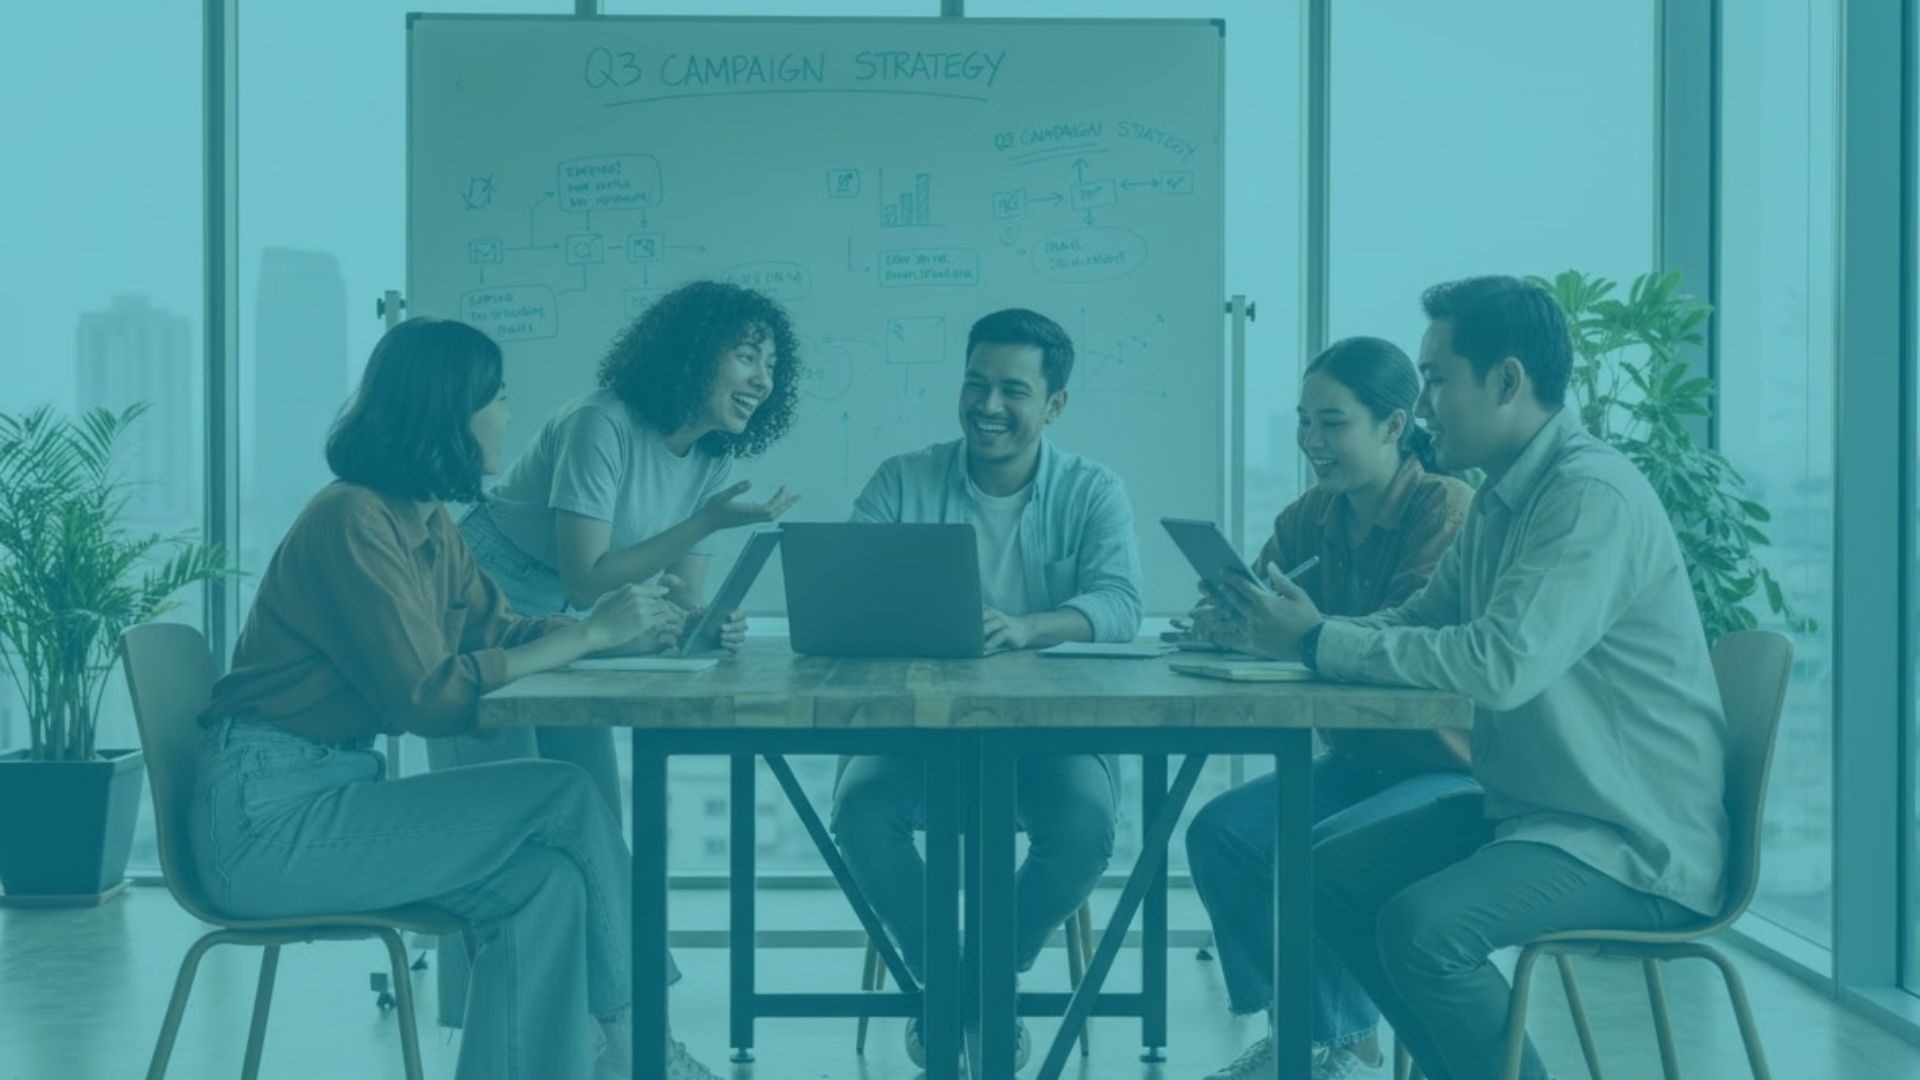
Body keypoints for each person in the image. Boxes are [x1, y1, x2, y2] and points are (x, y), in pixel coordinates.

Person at [1207, 277, 1728, 1080]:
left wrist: (1318, 642)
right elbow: (1419, 622)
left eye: (1438, 380)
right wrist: (1313, 637)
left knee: (1425, 930)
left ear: (1508, 381)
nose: (1421, 407)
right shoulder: (1500, 504)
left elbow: (1498, 663)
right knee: (1324, 877)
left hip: (1628, 840)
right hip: (1535, 814)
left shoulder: (1586, 496)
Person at [189, 318, 722, 1080]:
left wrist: (615, 635)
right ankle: (643, 1047)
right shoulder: (350, 519)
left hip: (331, 796)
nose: (510, 417)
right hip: (264, 827)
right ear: (448, 410)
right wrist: (580, 639)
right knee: (565, 792)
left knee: (548, 887)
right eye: (498, 399)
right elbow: (427, 697)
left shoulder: (427, 519)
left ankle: (611, 1053)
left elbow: (496, 626)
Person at [832, 307, 1144, 1069]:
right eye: (976, 384)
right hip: (916, 729)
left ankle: (967, 989)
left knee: (1082, 829)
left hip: (1051, 731)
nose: (988, 406)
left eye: (1012, 389)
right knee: (861, 813)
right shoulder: (901, 480)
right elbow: (843, 591)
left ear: (1053, 404)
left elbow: (1122, 605)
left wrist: (1030, 627)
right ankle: (966, 989)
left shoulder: (1094, 490)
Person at [1185, 337, 1475, 1080]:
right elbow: (1262, 612)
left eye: (1332, 423)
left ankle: (1332, 1047)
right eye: (1303, 421)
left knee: (1317, 857)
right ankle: (1317, 1037)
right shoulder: (1311, 515)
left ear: (1393, 424)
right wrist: (1229, 627)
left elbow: (1408, 646)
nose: (1311, 441)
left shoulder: (1445, 510)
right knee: (1222, 834)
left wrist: (1298, 636)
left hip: (1447, 766)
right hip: (1358, 760)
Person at [435, 279, 805, 816]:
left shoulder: (712, 460)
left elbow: (680, 598)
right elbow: (584, 580)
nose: (763, 380)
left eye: (772, 365)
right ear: (693, 354)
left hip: (572, 624)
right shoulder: (601, 422)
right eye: (747, 357)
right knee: (501, 811)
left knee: (597, 807)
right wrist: (704, 523)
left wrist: (708, 623)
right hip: (485, 593)